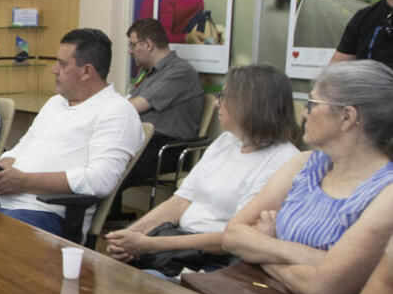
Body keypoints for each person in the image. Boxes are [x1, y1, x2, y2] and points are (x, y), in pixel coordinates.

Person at [221, 60, 393, 294]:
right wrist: (308, 256)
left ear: (347, 117)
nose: (304, 113)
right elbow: (233, 235)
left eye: (312, 104)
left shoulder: (384, 192)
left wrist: (264, 250)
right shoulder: (304, 164)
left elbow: (322, 289)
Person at [106, 64, 299, 272]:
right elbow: (180, 201)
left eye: (224, 97)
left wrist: (149, 244)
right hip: (178, 246)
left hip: (214, 261)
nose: (217, 104)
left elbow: (236, 238)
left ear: (249, 105)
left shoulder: (284, 161)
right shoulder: (227, 141)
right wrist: (128, 237)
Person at [0, 29, 143, 238]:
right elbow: (22, 146)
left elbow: (99, 181)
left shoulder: (117, 111)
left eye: (62, 64)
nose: (54, 70)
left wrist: (24, 181)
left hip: (45, 214)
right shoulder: (56, 103)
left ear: (86, 71)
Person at [124, 17, 204, 181]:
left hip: (168, 148)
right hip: (146, 141)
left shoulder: (179, 72)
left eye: (132, 45)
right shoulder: (148, 73)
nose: (130, 51)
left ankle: (94, 206)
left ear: (147, 44)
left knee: (112, 169)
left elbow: (133, 107)